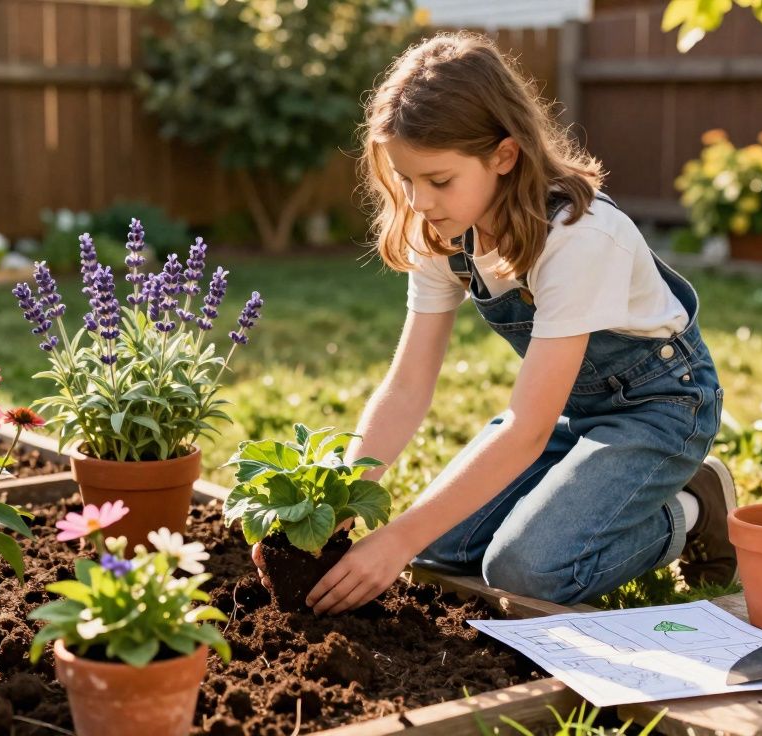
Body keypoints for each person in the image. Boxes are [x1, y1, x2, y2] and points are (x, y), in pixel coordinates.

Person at [300, 32, 738, 615]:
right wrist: (341, 498)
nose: (419, 200)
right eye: (406, 180)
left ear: (503, 156)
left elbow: (527, 428)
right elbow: (407, 386)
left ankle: (695, 506)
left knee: (525, 571)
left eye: (439, 180)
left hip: (661, 410)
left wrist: (396, 536)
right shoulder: (442, 230)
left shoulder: (579, 239)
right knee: (436, 551)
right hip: (572, 410)